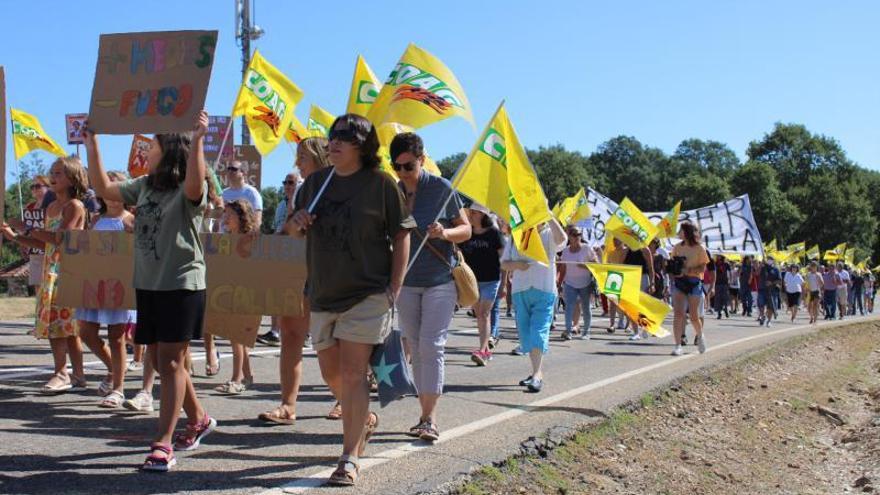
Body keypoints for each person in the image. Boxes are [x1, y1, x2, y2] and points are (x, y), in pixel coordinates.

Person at [84, 110, 217, 472]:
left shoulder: (190, 186)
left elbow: (194, 186)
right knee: (159, 360)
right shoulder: (143, 186)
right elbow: (103, 188)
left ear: (168, 148)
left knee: (171, 362)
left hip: (181, 283)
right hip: (149, 284)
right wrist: (91, 141)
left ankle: (162, 443)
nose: (147, 147)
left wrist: (199, 139)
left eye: (153, 143)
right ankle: (199, 418)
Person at [289, 114, 415, 486]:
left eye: (345, 137)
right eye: (332, 136)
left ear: (364, 145)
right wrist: (297, 221)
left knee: (352, 372)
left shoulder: (380, 184)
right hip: (323, 293)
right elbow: (293, 233)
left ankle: (349, 457)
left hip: (367, 293)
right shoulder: (314, 183)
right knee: (331, 374)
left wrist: (396, 285)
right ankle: (363, 419)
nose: (335, 142)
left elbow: (402, 234)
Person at [392, 132, 471, 442]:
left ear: (421, 160)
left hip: (439, 280)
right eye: (395, 166)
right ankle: (423, 413)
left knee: (431, 345)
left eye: (408, 166)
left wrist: (445, 233)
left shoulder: (440, 188)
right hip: (407, 282)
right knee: (413, 344)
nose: (402, 173)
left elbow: (465, 229)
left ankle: (429, 417)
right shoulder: (393, 192)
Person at [258, 137, 331, 426]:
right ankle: (288, 405)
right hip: (299, 272)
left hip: (330, 274)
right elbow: (291, 231)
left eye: (302, 156)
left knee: (333, 343)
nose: (297, 162)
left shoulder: (341, 188)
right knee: (290, 335)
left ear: (319, 158)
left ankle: (344, 399)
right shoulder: (303, 192)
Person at [1, 157, 88, 393]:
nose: (53, 177)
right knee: (62, 325)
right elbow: (45, 243)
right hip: (52, 266)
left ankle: (62, 373)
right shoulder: (51, 207)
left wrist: (26, 228)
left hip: (67, 269)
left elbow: (60, 239)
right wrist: (15, 236)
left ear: (72, 178)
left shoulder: (75, 206)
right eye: (52, 172)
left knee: (61, 325)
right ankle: (77, 374)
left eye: (59, 173)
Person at [75, 171, 137, 408]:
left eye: (117, 190)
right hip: (95, 282)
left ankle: (119, 389)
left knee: (117, 337)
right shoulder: (95, 220)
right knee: (87, 332)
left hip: (119, 285)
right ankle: (112, 370)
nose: (111, 196)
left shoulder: (130, 220)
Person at [501, 219, 567, 392]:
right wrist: (517, 265)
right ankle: (534, 372)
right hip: (520, 290)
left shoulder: (548, 233)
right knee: (525, 335)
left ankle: (537, 375)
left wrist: (549, 214)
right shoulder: (517, 234)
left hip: (544, 290)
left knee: (538, 331)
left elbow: (562, 240)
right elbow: (504, 262)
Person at [213, 200, 259, 395]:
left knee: (236, 337)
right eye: (225, 214)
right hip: (229, 290)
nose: (225, 218)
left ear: (241, 217)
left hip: (245, 292)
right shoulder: (226, 238)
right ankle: (247, 376)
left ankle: (236, 379)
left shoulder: (250, 239)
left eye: (229, 214)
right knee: (237, 337)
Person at [256, 170, 302, 347]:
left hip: (296, 253)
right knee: (276, 290)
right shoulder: (282, 204)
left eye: (292, 183)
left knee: (294, 294)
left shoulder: (302, 202)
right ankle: (275, 331)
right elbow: (278, 227)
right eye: (285, 182)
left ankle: (300, 331)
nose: (287, 186)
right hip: (281, 252)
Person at [458, 203, 503, 366]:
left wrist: (504, 284)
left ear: (482, 215)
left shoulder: (493, 234)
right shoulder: (467, 232)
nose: (471, 215)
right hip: (472, 281)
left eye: (474, 212)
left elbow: (502, 260)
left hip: (491, 279)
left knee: (484, 314)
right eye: (470, 212)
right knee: (480, 316)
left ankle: (483, 350)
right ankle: (485, 349)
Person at [669, 222, 710, 356]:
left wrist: (689, 269)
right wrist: (673, 269)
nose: (678, 233)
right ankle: (677, 345)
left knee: (693, 316)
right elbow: (672, 263)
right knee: (678, 314)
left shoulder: (699, 248)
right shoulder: (677, 247)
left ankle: (700, 336)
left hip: (694, 283)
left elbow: (703, 268)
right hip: (679, 283)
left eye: (680, 230)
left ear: (686, 232)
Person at [558, 226, 599, 340]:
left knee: (586, 307)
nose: (577, 237)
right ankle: (568, 331)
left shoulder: (586, 249)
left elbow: (596, 263)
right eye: (574, 235)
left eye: (579, 234)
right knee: (569, 307)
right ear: (569, 237)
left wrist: (585, 265)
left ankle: (586, 332)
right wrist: (559, 282)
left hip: (585, 283)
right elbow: (562, 267)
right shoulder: (565, 251)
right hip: (569, 283)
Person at [222, 160, 263, 227]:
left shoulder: (252, 192)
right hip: (223, 236)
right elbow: (219, 218)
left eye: (233, 169)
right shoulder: (223, 193)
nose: (230, 171)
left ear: (243, 173)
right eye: (228, 169)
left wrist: (253, 232)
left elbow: (258, 217)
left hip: (243, 235)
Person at [756, 257, 780, 327]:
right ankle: (762, 316)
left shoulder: (776, 269)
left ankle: (768, 321)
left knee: (770, 307)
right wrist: (761, 265)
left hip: (772, 291)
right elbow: (757, 273)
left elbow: (779, 280)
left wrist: (771, 283)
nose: (769, 260)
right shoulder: (762, 268)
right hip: (762, 289)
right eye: (768, 259)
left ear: (773, 261)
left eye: (771, 259)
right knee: (761, 305)